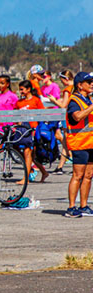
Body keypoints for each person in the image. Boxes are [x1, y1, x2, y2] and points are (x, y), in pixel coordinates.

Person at [64, 72, 93, 218]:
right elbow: (77, 116)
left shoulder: (88, 99)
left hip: (90, 142)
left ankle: (84, 205)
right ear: (80, 85)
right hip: (79, 143)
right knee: (78, 175)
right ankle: (71, 207)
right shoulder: (74, 100)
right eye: (89, 82)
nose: (92, 84)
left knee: (88, 175)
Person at [15, 79, 48, 184]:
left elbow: (42, 113)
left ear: (28, 89)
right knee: (30, 156)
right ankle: (44, 172)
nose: (20, 92)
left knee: (28, 153)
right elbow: (15, 115)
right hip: (23, 131)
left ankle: (26, 178)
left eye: (22, 89)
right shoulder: (19, 102)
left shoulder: (35, 100)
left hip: (33, 130)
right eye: (20, 90)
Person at [47, 70, 73, 172]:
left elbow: (63, 106)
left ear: (66, 79)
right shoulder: (77, 88)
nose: (61, 83)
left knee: (66, 142)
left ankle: (63, 165)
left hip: (68, 118)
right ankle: (60, 166)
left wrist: (54, 101)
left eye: (62, 81)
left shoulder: (68, 90)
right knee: (66, 142)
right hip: (75, 118)